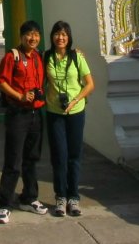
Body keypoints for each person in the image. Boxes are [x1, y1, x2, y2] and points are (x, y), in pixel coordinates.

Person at [0, 20, 49, 224]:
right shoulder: (12, 56)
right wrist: (19, 96)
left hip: (36, 114)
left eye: (36, 34)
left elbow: (63, 55)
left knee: (32, 158)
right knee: (13, 160)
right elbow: (0, 81)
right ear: (21, 36)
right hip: (17, 114)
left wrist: (76, 52)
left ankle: (29, 197)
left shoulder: (39, 56)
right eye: (28, 34)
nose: (32, 38)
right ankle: (5, 203)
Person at [42, 20, 94, 217]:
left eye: (64, 34)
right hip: (55, 112)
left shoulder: (77, 57)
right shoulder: (46, 57)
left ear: (69, 37)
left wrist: (76, 99)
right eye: (57, 33)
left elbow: (90, 84)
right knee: (59, 156)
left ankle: (74, 197)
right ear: (52, 36)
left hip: (76, 111)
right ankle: (60, 197)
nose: (60, 37)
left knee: (74, 156)